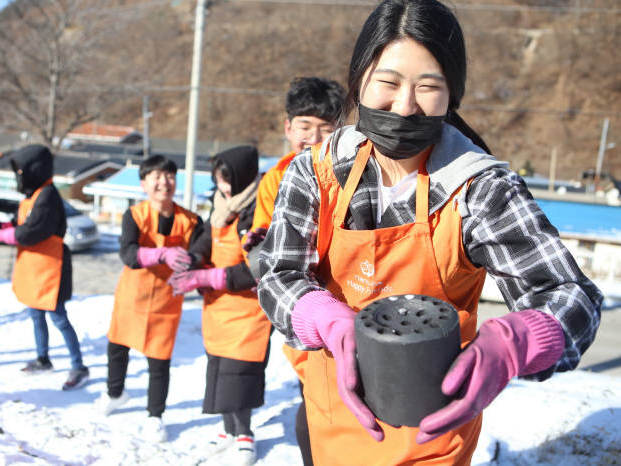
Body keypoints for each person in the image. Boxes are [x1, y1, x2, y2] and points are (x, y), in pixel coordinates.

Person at [257, 1, 602, 464]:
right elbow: (277, 274)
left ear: (451, 96)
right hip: (332, 415)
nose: (405, 105)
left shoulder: (479, 189)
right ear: (359, 79)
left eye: (428, 87)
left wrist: (515, 342)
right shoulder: (315, 172)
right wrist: (326, 318)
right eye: (388, 82)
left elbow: (571, 296)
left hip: (434, 433)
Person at [243, 76, 345, 466]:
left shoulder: (353, 171)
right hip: (305, 309)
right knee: (315, 398)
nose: (314, 136)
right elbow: (264, 245)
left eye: (326, 127)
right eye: (305, 126)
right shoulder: (275, 179)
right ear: (288, 128)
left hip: (350, 296)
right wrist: (254, 247)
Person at [168, 145, 269, 466]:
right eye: (219, 181)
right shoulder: (221, 202)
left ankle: (245, 435)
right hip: (218, 306)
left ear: (243, 177)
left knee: (238, 374)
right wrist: (193, 259)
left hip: (247, 308)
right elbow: (206, 239)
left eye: (227, 181)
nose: (224, 187)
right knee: (218, 371)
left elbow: (256, 266)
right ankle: (227, 430)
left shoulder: (260, 206)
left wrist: (207, 276)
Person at [96, 155, 203, 442]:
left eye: (169, 176)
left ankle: (155, 416)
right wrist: (160, 254)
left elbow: (201, 254)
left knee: (159, 359)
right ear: (144, 183)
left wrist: (191, 261)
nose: (163, 183)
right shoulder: (135, 215)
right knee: (118, 345)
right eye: (156, 177)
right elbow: (128, 253)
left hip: (167, 300)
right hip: (133, 293)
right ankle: (114, 392)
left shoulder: (192, 220)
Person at [0, 144, 90, 390]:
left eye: (22, 171)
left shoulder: (47, 196)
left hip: (50, 269)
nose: (19, 177)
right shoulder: (34, 195)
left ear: (35, 169)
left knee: (59, 318)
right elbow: (19, 223)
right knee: (36, 316)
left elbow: (30, 232)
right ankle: (43, 358)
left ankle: (79, 366)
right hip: (33, 267)